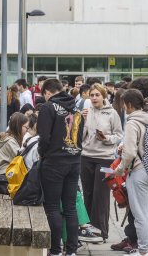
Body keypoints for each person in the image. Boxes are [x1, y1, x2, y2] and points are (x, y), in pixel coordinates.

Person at [37, 79, 84, 256]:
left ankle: (55, 251)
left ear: (48, 92)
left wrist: (43, 154)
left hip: (54, 162)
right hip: (74, 160)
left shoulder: (48, 108)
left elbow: (44, 138)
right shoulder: (77, 108)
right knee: (70, 207)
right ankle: (71, 251)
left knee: (53, 207)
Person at [114, 89, 148, 256]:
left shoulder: (133, 122)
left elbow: (129, 154)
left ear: (129, 104)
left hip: (140, 171)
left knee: (140, 215)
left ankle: (142, 251)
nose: (123, 108)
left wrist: (119, 170)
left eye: (123, 104)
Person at [81, 83, 123, 240]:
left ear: (103, 96)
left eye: (97, 95)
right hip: (86, 156)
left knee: (101, 195)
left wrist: (106, 139)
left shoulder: (112, 113)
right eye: (91, 95)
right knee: (88, 193)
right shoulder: (86, 111)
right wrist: (82, 120)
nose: (93, 98)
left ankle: (101, 231)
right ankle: (87, 230)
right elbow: (81, 135)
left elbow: (119, 135)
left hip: (105, 158)